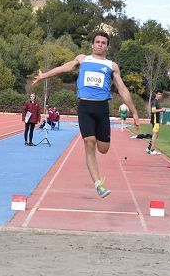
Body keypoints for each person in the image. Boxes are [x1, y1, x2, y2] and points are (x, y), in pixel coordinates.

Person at [32, 30, 139, 199]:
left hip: (102, 108)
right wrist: (43, 76)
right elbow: (63, 68)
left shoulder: (112, 66)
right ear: (92, 44)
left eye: (104, 43)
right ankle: (98, 184)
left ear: (107, 47)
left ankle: (98, 157)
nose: (100, 45)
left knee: (103, 149)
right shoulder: (82, 59)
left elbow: (122, 89)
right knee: (89, 142)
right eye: (97, 42)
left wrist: (133, 111)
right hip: (85, 106)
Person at [147, 90, 165, 155]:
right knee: (155, 135)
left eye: (161, 94)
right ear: (156, 94)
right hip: (155, 120)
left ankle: (149, 148)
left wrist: (161, 110)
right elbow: (153, 110)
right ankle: (152, 149)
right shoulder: (154, 101)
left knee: (156, 135)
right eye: (159, 94)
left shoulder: (157, 102)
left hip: (156, 120)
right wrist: (161, 109)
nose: (160, 95)